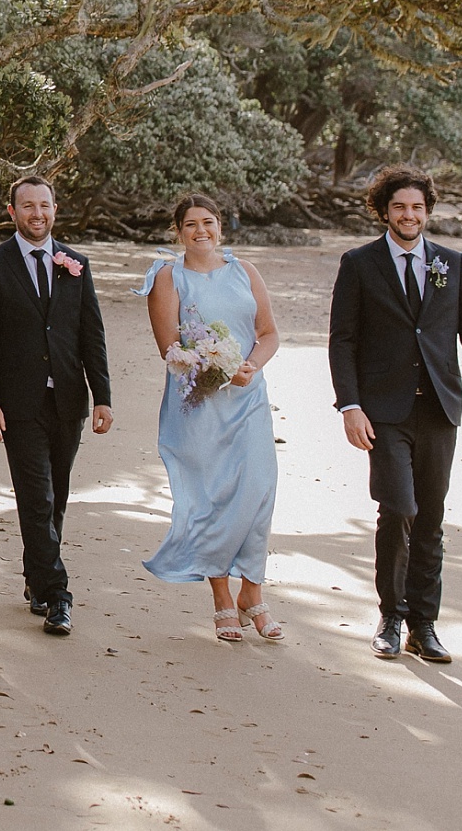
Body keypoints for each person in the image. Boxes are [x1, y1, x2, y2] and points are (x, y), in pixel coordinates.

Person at [330, 164, 462, 663]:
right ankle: (391, 616)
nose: (409, 215)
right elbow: (342, 340)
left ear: (427, 211)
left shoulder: (450, 262)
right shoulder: (359, 264)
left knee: (430, 518)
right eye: (400, 207)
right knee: (398, 509)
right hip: (383, 410)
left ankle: (424, 627)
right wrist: (350, 405)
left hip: (439, 409)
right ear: (384, 211)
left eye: (417, 207)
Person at [0, 176, 111, 636]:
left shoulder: (77, 264)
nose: (37, 214)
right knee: (36, 497)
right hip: (18, 403)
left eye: (44, 205)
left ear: (55, 208)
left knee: (57, 499)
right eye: (27, 206)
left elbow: (92, 335)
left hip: (69, 399)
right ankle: (58, 595)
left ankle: (36, 579)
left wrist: (102, 396)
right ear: (12, 212)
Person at [140, 194, 282, 642]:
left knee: (258, 493)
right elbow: (169, 348)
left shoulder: (246, 271)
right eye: (191, 224)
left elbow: (268, 333)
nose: (201, 230)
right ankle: (223, 595)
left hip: (248, 400)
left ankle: (252, 592)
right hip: (198, 404)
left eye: (209, 222)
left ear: (221, 226)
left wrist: (250, 367)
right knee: (213, 498)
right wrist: (212, 366)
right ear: (177, 231)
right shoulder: (168, 277)